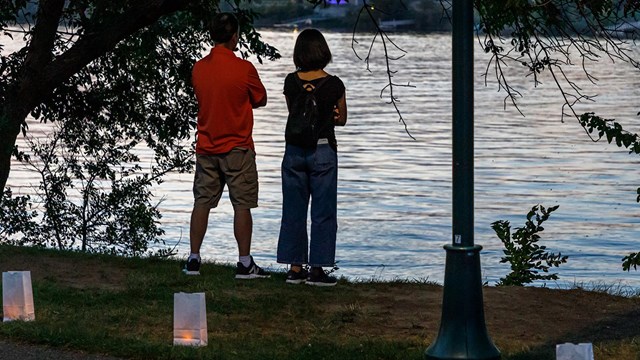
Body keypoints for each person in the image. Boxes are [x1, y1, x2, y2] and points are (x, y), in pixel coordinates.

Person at [184, 12, 269, 279]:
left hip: (206, 146)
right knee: (241, 204)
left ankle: (194, 259)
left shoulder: (199, 68)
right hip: (238, 148)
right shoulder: (244, 69)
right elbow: (261, 98)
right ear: (235, 37)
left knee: (202, 202)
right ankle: (244, 263)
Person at [277, 29, 348, 287]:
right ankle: (317, 270)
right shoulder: (335, 84)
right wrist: (330, 116)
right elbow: (342, 119)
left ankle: (295, 268)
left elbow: (294, 116)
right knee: (323, 212)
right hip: (323, 151)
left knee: (293, 210)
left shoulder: (290, 82)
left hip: (294, 150)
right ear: (323, 52)